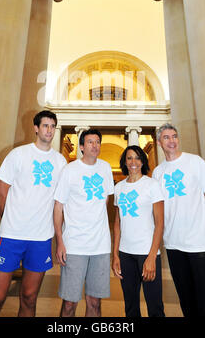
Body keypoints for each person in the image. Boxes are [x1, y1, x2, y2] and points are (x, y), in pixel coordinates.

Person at [0, 110, 67, 317]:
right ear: (36, 128)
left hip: (40, 239)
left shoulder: (60, 162)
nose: (49, 130)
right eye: (45, 126)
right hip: (11, 237)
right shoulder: (18, 154)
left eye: (52, 126)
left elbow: (60, 203)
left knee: (29, 299)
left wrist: (58, 237)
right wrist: (11, 220)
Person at [152, 123, 205, 317]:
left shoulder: (195, 162)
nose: (171, 141)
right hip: (173, 243)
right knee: (186, 300)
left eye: (174, 136)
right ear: (159, 142)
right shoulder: (158, 172)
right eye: (166, 137)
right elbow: (159, 208)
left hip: (199, 243)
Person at [53, 129, 114, 317]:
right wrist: (60, 241)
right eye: (90, 142)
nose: (95, 145)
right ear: (81, 146)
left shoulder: (105, 168)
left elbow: (105, 200)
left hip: (100, 246)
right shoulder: (70, 170)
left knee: (94, 303)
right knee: (70, 303)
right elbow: (58, 207)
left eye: (97, 142)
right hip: (74, 245)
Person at [113, 145, 165, 317]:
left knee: (155, 307)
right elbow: (117, 223)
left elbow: (159, 223)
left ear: (143, 161)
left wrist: (151, 256)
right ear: (124, 162)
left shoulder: (152, 185)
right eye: (129, 158)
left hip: (147, 253)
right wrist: (115, 255)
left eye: (137, 157)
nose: (133, 161)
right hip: (125, 254)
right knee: (130, 306)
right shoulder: (119, 188)